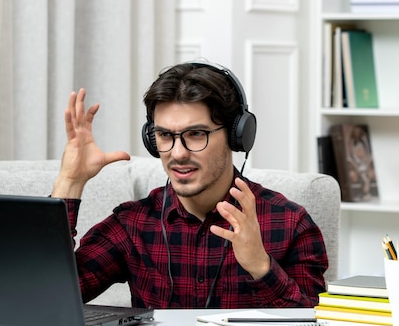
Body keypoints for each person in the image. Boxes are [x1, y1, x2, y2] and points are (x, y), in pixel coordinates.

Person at [51, 60, 328, 309]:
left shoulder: (290, 223)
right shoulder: (132, 224)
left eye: (196, 134)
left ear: (237, 136)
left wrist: (260, 266)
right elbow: (51, 297)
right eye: (164, 135)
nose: (178, 153)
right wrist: (70, 182)